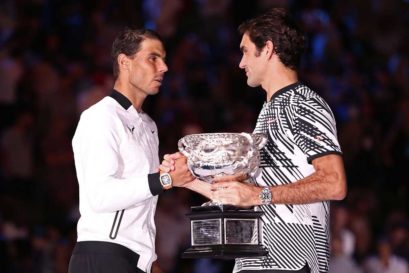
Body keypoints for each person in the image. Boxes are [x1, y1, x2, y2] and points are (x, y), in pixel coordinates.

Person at [161, 8, 347, 273]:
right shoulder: (269, 110)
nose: (241, 62)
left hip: (291, 258)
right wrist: (187, 177)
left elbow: (334, 182)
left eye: (246, 51)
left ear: (268, 49)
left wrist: (259, 195)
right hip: (258, 256)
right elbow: (245, 195)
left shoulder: (302, 103)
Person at [68, 28, 194, 273]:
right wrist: (164, 179)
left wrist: (150, 261)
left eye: (164, 59)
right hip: (103, 255)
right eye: (153, 58)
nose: (163, 67)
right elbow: (100, 195)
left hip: (136, 260)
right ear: (124, 62)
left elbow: (142, 202)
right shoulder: (99, 117)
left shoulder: (148, 125)